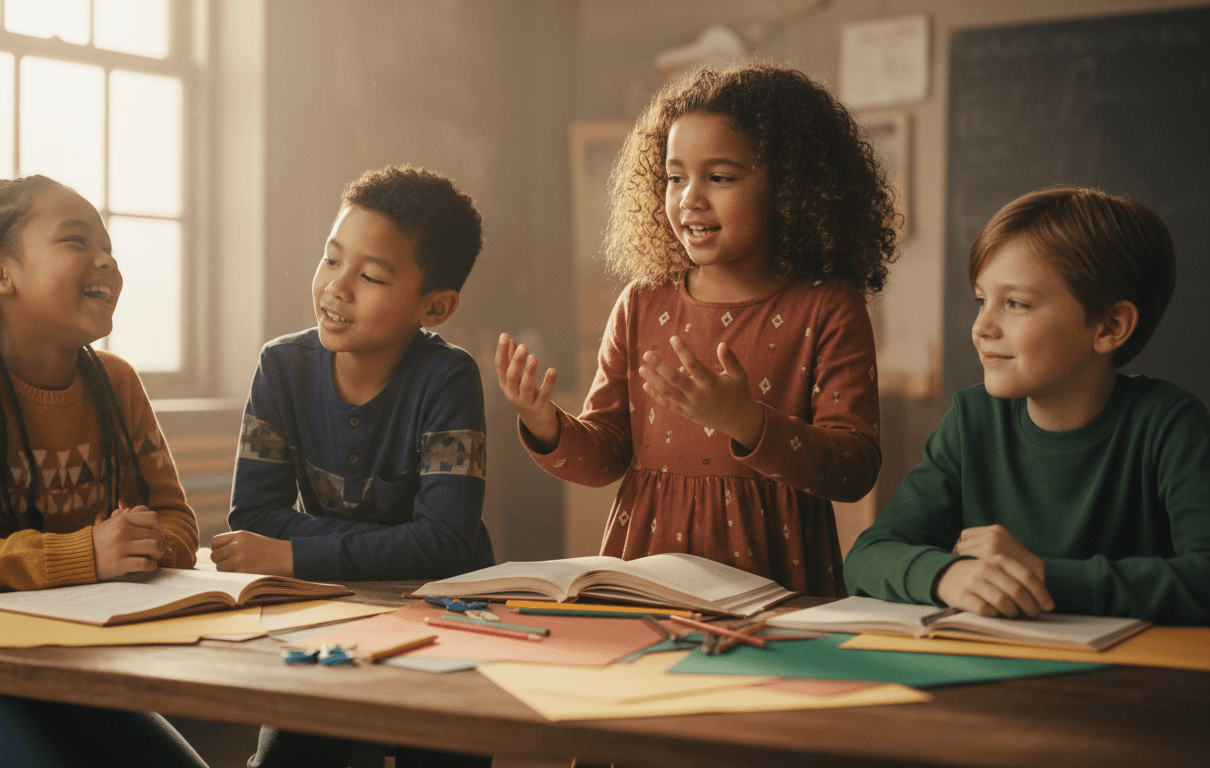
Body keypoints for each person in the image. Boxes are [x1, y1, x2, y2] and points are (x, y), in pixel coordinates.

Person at [497, 63, 898, 596]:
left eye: (720, 177)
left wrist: (745, 421)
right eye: (675, 177)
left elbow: (854, 470)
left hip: (773, 584)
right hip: (647, 584)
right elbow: (606, 457)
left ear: (790, 187)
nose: (690, 197)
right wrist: (546, 425)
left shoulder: (828, 308)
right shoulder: (641, 303)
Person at [0, 175, 207, 767]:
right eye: (76, 241)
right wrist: (84, 555)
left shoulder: (117, 383)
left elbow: (176, 519)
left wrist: (145, 544)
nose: (106, 259)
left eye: (108, 245)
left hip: (79, 672)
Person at [212, 165, 492, 768]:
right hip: (331, 612)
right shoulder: (282, 368)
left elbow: (447, 545)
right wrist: (396, 544)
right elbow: (253, 517)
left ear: (435, 307)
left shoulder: (448, 378)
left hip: (447, 618)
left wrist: (292, 555)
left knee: (446, 751)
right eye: (331, 258)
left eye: (370, 276)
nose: (336, 287)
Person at [844, 186, 1210, 624]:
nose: (981, 327)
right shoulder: (972, 420)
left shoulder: (1171, 425)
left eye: (1016, 303)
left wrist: (1042, 576)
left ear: (1110, 326)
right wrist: (947, 576)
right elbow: (868, 555)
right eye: (982, 300)